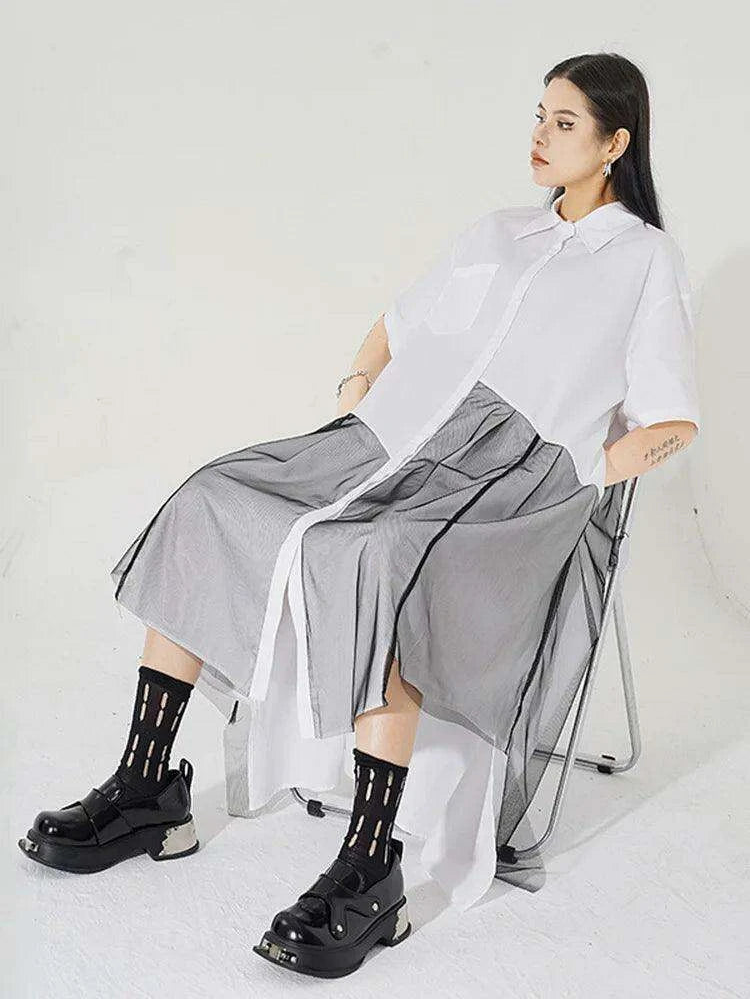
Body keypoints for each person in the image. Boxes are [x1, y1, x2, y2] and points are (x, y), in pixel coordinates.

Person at [19, 51, 701, 980]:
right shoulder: (499, 231)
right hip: (389, 440)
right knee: (211, 496)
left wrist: (583, 466)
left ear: (616, 144)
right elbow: (401, 320)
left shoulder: (644, 258)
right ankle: (147, 786)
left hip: (513, 487)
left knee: (381, 553)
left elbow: (672, 421)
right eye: (539, 115)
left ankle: (373, 867)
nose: (540, 135)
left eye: (566, 122)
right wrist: (357, 387)